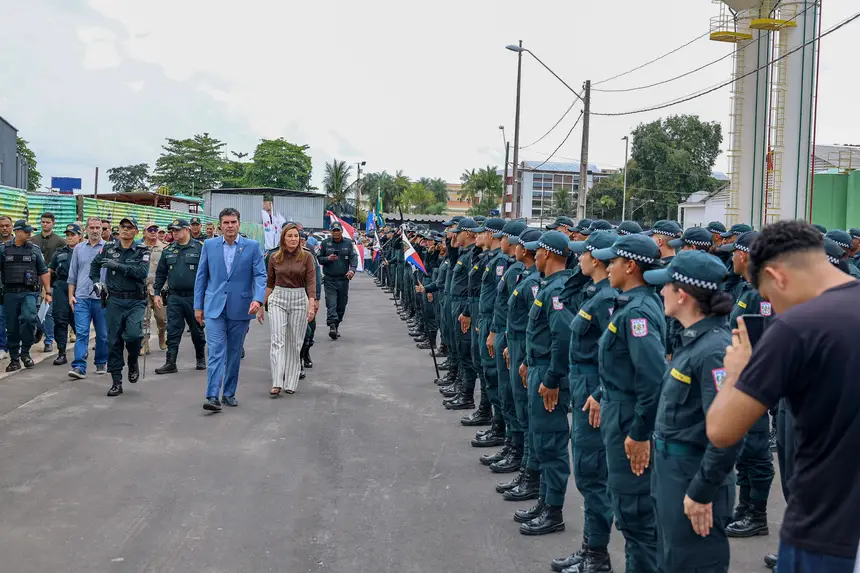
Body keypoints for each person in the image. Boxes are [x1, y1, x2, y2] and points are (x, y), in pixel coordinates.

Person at [707, 220, 860, 573]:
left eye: (768, 297)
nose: (773, 307)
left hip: (825, 533)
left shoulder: (796, 328)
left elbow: (722, 429)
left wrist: (736, 373)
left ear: (777, 277)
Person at [643, 250, 740, 573]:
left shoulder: (714, 350)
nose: (660, 292)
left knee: (694, 563)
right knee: (672, 561)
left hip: (693, 474)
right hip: (672, 471)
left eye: (666, 286)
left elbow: (728, 432)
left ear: (682, 295)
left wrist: (701, 490)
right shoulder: (693, 341)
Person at [591, 233, 667, 573]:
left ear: (631, 266)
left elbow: (651, 379)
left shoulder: (637, 313)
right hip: (618, 410)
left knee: (636, 516)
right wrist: (600, 395)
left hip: (628, 418)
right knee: (629, 512)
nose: (608, 268)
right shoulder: (629, 305)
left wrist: (639, 433)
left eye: (614, 262)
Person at [552, 230, 618, 573]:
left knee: (593, 475)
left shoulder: (607, 300)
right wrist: (582, 275)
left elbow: (618, 356)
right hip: (583, 385)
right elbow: (568, 295)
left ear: (598, 259)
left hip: (594, 389)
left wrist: (601, 393)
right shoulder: (593, 291)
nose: (578, 258)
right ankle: (590, 547)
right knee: (587, 473)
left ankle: (597, 556)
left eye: (584, 254)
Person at [515, 230, 574, 536]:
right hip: (538, 368)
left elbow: (562, 338)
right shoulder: (548, 287)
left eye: (537, 251)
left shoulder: (558, 290)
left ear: (548, 254)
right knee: (541, 439)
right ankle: (544, 501)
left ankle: (553, 510)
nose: (533, 255)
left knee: (551, 443)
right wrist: (527, 361)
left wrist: (551, 378)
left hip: (550, 376)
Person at [718, 231, 776, 540]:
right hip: (742, 379)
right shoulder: (746, 288)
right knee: (744, 450)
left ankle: (758, 513)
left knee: (755, 450)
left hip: (753, 380)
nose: (731, 258)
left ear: (745, 256)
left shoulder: (758, 293)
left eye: (734, 253)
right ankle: (744, 507)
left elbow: (760, 337)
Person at [194, 208, 266, 412]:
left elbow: (260, 276)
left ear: (239, 224)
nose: (230, 226)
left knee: (234, 353)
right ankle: (212, 395)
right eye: (226, 222)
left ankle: (228, 393)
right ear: (220, 225)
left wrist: (258, 300)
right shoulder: (209, 245)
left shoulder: (252, 247)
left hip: (241, 307)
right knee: (216, 350)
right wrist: (198, 306)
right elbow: (201, 277)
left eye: (233, 222)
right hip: (214, 307)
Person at [499, 227, 543, 503]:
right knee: (516, 404)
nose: (510, 246)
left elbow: (534, 326)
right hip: (515, 343)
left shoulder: (536, 282)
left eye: (513, 243)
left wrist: (525, 358)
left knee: (528, 414)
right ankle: (520, 459)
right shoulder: (524, 275)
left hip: (526, 349)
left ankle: (530, 473)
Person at [90, 217, 150, 396]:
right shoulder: (109, 248)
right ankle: (116, 380)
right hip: (114, 300)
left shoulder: (142, 250)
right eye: (122, 227)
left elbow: (142, 272)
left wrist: (118, 265)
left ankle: (132, 360)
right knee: (113, 341)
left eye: (129, 227)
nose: (124, 230)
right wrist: (96, 282)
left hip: (135, 300)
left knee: (133, 335)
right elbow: (94, 266)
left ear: (136, 231)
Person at [263, 224, 317, 396]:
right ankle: (277, 381)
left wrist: (311, 304)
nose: (293, 239)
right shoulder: (274, 256)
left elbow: (311, 282)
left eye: (296, 236)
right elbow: (269, 283)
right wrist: (260, 305)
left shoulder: (307, 256)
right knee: (277, 340)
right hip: (278, 297)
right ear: (283, 238)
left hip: (299, 298)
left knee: (295, 342)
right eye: (289, 236)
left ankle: (291, 382)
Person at [153, 219, 207, 374]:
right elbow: (161, 274)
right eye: (172, 231)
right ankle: (170, 362)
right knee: (173, 330)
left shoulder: (200, 248)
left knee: (197, 330)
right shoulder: (168, 250)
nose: (174, 233)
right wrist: (157, 293)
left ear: (187, 230)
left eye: (177, 230)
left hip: (194, 297)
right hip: (174, 297)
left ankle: (200, 358)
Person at [0, 220, 51, 371]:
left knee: (29, 319)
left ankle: (26, 353)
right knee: (12, 327)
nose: (29, 233)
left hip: (29, 293)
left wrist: (48, 292)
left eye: (30, 231)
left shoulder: (34, 250)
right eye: (26, 231)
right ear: (17, 231)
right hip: (9, 294)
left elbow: (43, 271)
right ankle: (15, 359)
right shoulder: (3, 250)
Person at [67, 217, 109, 379]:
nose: (95, 230)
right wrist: (71, 295)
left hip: (102, 299)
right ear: (85, 229)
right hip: (82, 298)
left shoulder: (109, 248)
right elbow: (73, 274)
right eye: (91, 227)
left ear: (103, 229)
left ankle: (101, 362)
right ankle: (79, 366)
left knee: (103, 334)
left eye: (98, 227)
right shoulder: (78, 248)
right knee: (82, 333)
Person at [32, 211, 66, 353]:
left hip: (52, 281)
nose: (45, 224)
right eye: (43, 221)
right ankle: (38, 331)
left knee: (48, 312)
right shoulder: (33, 240)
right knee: (34, 311)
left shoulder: (60, 241)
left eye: (48, 222)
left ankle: (49, 340)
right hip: (34, 281)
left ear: (53, 223)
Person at [317, 221, 357, 340]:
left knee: (341, 305)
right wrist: (327, 258)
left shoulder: (348, 243)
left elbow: (354, 258)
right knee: (331, 303)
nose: (336, 233)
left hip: (343, 280)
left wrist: (352, 270)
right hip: (329, 280)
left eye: (338, 230)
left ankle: (337, 325)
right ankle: (332, 326)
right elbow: (318, 258)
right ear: (331, 232)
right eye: (333, 231)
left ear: (341, 231)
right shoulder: (325, 243)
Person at [48, 223, 82, 366]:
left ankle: (81, 350)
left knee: (78, 320)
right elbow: (50, 270)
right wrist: (47, 290)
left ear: (80, 236)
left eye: (72, 235)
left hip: (80, 287)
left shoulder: (84, 251)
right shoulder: (60, 252)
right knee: (60, 319)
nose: (69, 238)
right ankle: (62, 352)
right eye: (67, 235)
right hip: (62, 285)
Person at [141, 222, 167, 354]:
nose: (153, 232)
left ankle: (162, 335)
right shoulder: (139, 248)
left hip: (159, 289)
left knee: (162, 318)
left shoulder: (164, 248)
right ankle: (144, 343)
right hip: (143, 288)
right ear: (144, 232)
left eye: (155, 229)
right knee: (144, 318)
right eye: (150, 229)